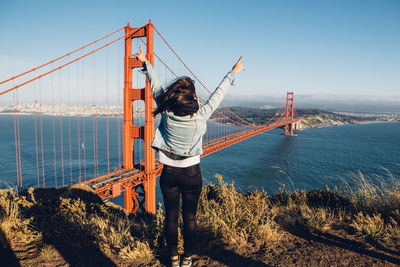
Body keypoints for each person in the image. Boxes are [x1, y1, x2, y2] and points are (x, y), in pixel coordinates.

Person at [134, 44, 245, 267]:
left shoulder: (166, 111)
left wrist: (146, 63)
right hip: (192, 173)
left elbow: (156, 87)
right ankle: (187, 260)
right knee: (190, 218)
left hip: (169, 174)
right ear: (192, 98)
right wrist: (233, 72)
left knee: (172, 218)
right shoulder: (202, 115)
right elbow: (218, 94)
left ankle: (173, 259)